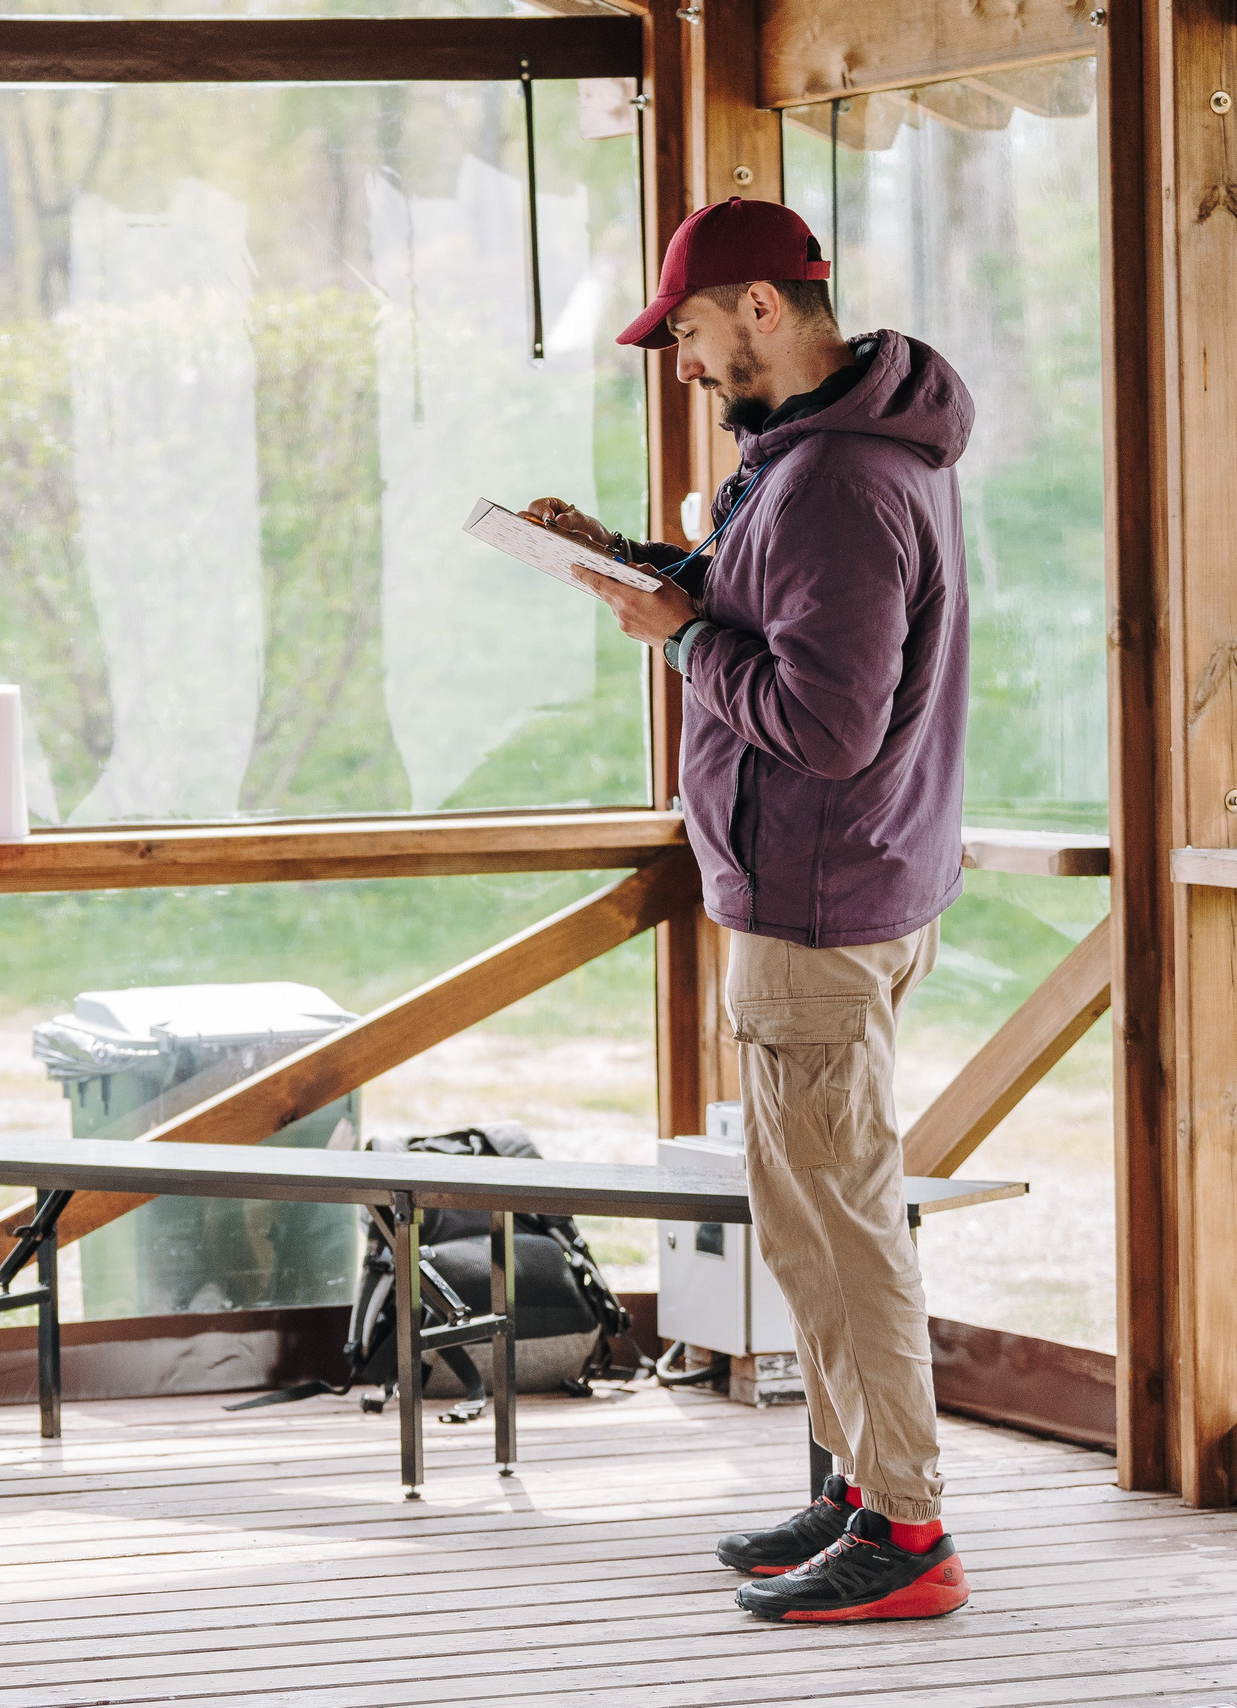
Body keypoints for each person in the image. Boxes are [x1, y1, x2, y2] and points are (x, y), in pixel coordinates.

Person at [525, 197, 975, 1624]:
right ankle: (858, 1491)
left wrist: (682, 637)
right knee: (816, 1218)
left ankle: (906, 1534)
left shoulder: (837, 481)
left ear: (764, 308)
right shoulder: (826, 459)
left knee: (837, 1233)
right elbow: (772, 622)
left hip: (816, 900)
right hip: (838, 887)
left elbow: (824, 724)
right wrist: (645, 569)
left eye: (694, 331)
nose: (684, 362)